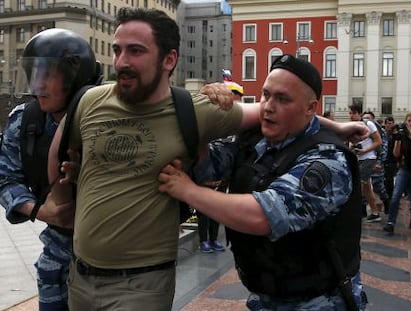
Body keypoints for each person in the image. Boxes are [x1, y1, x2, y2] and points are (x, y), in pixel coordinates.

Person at [46, 7, 261, 310]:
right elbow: (59, 153)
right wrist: (62, 201)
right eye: (118, 50)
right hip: (80, 279)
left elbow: (272, 110)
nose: (121, 62)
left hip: (142, 286)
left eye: (135, 51)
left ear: (169, 60)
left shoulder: (195, 109)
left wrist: (340, 127)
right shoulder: (90, 100)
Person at [159, 54, 367, 310]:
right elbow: (208, 165)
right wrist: (205, 110)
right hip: (266, 297)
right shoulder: (255, 139)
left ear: (311, 108)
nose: (268, 106)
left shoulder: (328, 159)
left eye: (282, 99)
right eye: (266, 95)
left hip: (318, 301)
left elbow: (265, 215)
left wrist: (187, 191)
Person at [0, 28, 101, 310]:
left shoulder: (109, 119)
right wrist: (42, 211)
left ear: (74, 76)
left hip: (111, 268)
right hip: (55, 263)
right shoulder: (25, 121)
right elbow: (6, 179)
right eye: (33, 73)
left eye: (47, 74)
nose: (37, 84)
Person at [349, 104, 383, 222]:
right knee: (367, 187)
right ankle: (375, 213)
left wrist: (364, 150)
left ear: (359, 113)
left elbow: (378, 141)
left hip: (369, 158)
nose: (351, 116)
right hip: (360, 158)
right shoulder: (353, 127)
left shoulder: (369, 124)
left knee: (358, 185)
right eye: (350, 113)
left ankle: (354, 212)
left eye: (353, 113)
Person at [383, 112, 411, 234]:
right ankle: (390, 223)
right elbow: (396, 154)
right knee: (396, 196)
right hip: (404, 169)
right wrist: (398, 140)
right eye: (409, 121)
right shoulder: (403, 135)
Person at [361, 111, 390, 214]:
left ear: (373, 119)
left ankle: (386, 202)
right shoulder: (362, 129)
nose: (366, 120)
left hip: (376, 162)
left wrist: (379, 162)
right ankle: (363, 209)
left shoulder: (380, 131)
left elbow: (383, 148)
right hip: (364, 162)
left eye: (368, 118)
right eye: (364, 118)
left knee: (377, 185)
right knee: (364, 186)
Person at [196, 180, 227, 253]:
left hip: (220, 182)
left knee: (217, 211)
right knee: (203, 212)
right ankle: (203, 240)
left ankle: (213, 239)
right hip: (203, 182)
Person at [383, 116, 398, 201]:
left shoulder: (395, 135)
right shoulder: (383, 135)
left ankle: (390, 198)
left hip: (392, 161)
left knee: (390, 180)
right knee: (385, 181)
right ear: (385, 124)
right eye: (388, 123)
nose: (390, 125)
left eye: (391, 123)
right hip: (384, 160)